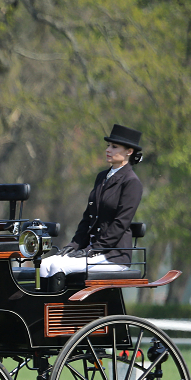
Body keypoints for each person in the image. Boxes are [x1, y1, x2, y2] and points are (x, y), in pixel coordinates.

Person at [40, 124, 145, 290]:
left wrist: (93, 249)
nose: (108, 150)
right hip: (91, 251)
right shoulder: (102, 177)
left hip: (113, 255)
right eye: (108, 146)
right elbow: (87, 218)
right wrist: (73, 246)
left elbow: (120, 224)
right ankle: (44, 313)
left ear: (129, 151)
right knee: (46, 263)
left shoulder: (131, 183)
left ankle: (61, 314)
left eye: (114, 146)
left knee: (58, 266)